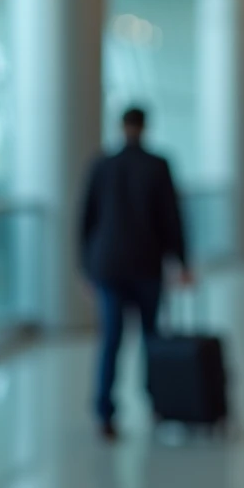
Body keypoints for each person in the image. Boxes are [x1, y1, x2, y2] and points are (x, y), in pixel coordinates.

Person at [80, 107, 192, 440]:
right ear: (145, 127)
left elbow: (85, 219)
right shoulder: (157, 166)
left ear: (121, 127)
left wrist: (86, 267)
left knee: (111, 340)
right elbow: (172, 217)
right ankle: (157, 403)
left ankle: (105, 413)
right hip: (146, 263)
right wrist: (182, 262)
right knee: (150, 337)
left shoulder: (102, 164)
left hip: (108, 266)